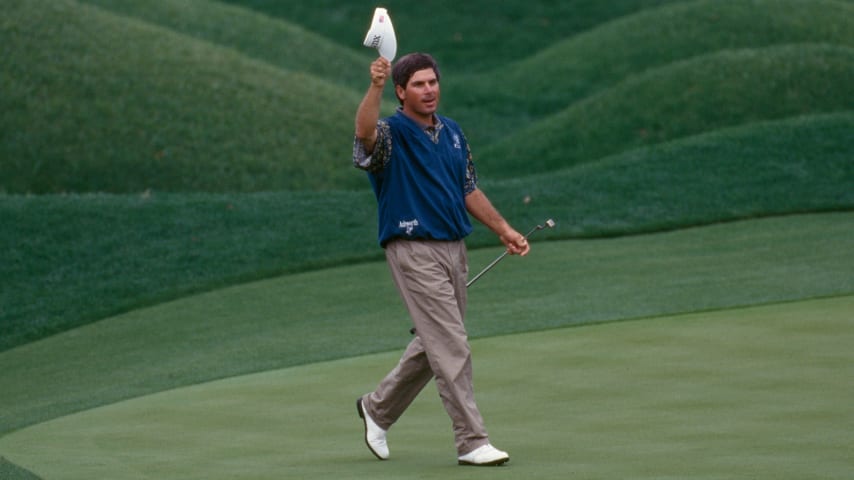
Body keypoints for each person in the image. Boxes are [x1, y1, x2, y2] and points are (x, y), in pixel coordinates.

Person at [352, 52, 529, 467]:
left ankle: (376, 409)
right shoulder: (391, 132)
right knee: (451, 344)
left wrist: (503, 229)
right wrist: (373, 86)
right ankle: (471, 440)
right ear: (401, 91)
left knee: (435, 341)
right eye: (418, 84)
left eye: (432, 82)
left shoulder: (452, 132)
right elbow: (364, 136)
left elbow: (467, 189)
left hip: (454, 247)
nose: (428, 90)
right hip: (412, 247)